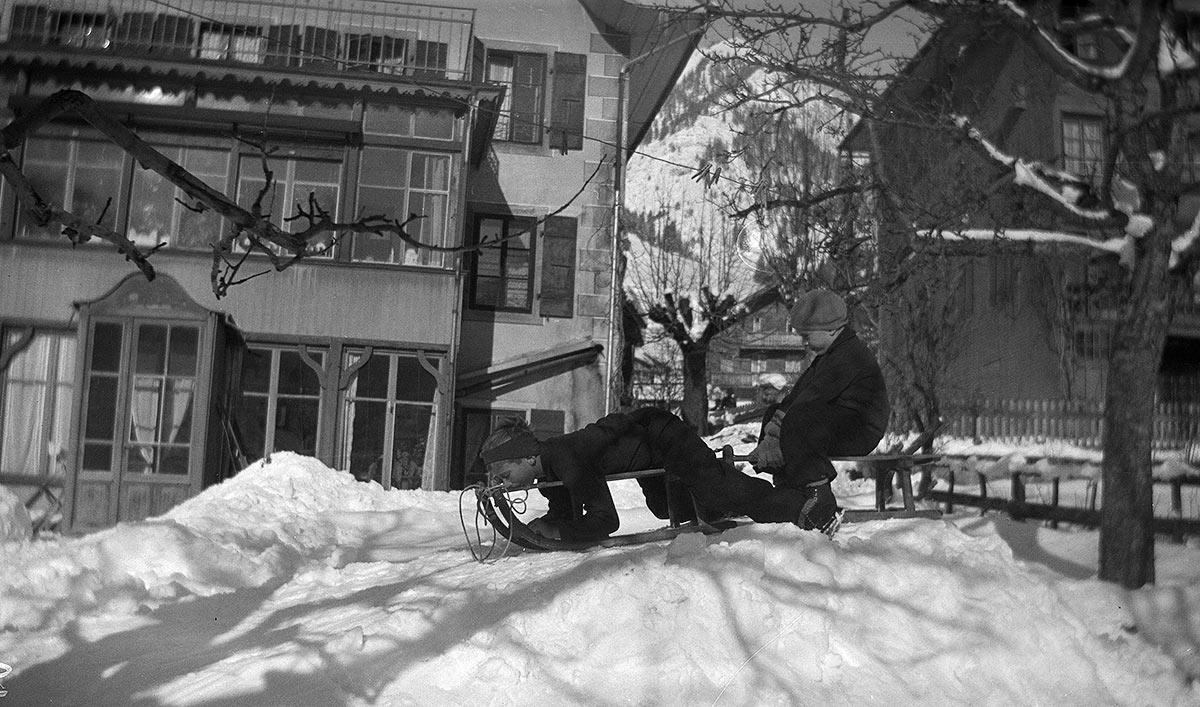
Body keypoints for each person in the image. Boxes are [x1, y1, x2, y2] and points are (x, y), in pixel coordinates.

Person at [479, 406, 841, 542]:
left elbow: (606, 520)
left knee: (718, 488)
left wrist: (558, 531)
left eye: (505, 474)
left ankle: (804, 506)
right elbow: (565, 506)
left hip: (660, 435)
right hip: (643, 448)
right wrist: (548, 525)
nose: (504, 484)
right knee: (664, 506)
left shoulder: (567, 460)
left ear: (527, 457)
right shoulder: (549, 468)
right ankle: (714, 509)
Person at [748, 289, 890, 529]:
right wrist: (770, 437)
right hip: (833, 422)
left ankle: (818, 492)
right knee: (776, 411)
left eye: (807, 335)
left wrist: (776, 436)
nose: (804, 341)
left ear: (831, 329)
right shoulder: (828, 355)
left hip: (860, 429)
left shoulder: (849, 355)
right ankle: (788, 485)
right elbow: (796, 396)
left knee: (801, 417)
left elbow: (811, 399)